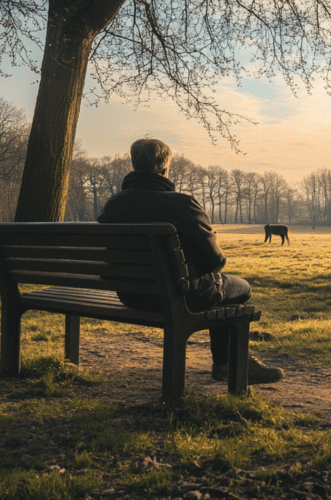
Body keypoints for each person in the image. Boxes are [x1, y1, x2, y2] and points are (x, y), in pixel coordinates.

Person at [97, 137, 284, 384]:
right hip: (181, 296)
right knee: (240, 288)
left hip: (132, 295)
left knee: (217, 288)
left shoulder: (114, 204)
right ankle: (227, 364)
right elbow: (215, 262)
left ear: (134, 165)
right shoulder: (183, 204)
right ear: (165, 167)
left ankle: (225, 363)